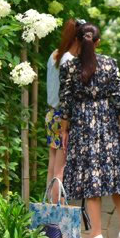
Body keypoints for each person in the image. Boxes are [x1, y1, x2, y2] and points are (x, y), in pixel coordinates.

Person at [59, 22, 120, 238]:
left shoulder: (69, 67)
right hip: (107, 121)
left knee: (91, 177)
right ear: (97, 42)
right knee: (115, 174)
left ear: (78, 40)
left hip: (82, 124)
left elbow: (65, 102)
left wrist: (64, 130)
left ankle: (97, 235)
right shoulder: (110, 64)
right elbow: (119, 98)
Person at [45, 19, 80, 203]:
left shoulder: (54, 55)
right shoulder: (70, 60)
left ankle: (49, 208)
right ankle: (58, 211)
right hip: (62, 116)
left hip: (51, 114)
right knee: (60, 170)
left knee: (52, 166)